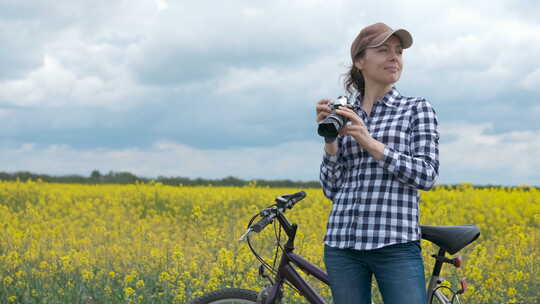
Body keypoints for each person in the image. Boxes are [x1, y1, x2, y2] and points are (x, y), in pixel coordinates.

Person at [316, 22, 439, 304]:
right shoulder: (344, 113)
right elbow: (332, 189)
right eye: (383, 50)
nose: (394, 57)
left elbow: (427, 175)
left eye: (398, 51)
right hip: (342, 243)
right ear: (360, 61)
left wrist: (371, 144)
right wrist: (330, 140)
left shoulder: (416, 108)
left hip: (394, 243)